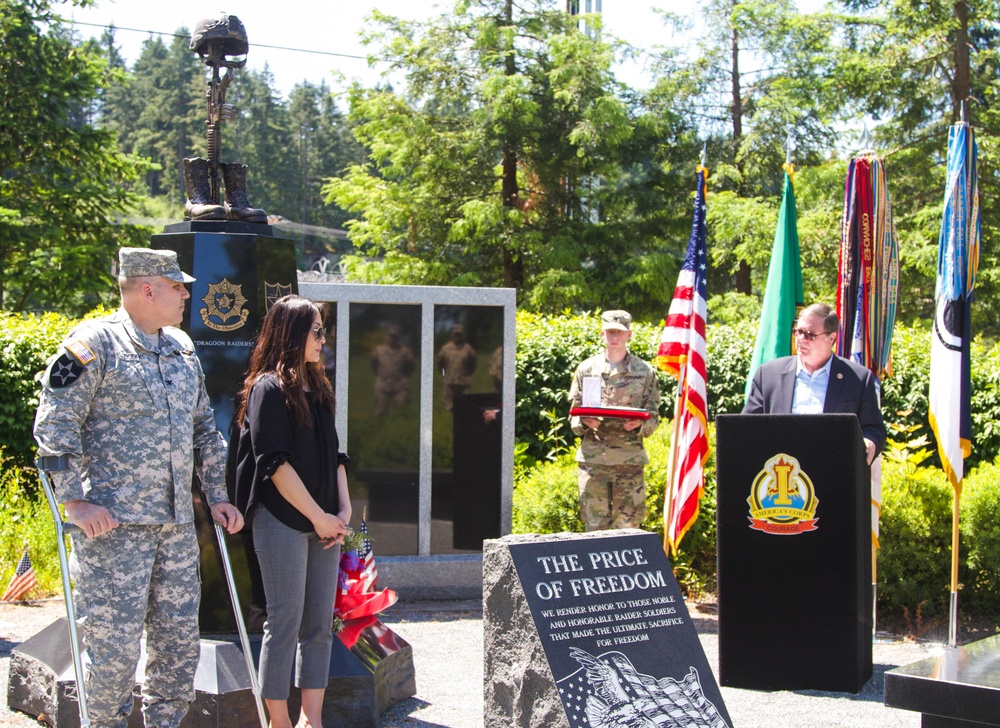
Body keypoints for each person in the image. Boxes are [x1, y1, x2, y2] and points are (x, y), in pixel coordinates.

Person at [33, 247, 244, 728]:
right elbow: (54, 429)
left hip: (174, 527)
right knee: (112, 653)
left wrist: (218, 494)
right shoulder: (94, 346)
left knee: (177, 646)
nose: (186, 294)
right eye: (177, 286)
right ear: (148, 289)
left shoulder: (181, 348)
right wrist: (73, 503)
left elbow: (203, 431)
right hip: (114, 531)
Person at [228, 295, 352, 728]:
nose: (323, 339)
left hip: (325, 523)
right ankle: (279, 722)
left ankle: (311, 720)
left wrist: (342, 506)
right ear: (293, 333)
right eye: (317, 330)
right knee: (283, 624)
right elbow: (274, 464)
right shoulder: (267, 389)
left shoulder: (318, 387)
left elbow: (335, 453)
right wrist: (319, 516)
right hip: (282, 520)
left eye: (322, 330)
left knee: (319, 626)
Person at [743, 302, 886, 463]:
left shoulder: (858, 379)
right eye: (799, 332)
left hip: (833, 471)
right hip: (781, 474)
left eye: (810, 334)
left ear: (830, 338)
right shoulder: (768, 375)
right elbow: (747, 427)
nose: (801, 339)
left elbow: (873, 428)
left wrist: (870, 442)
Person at [568, 310, 661, 531]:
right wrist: (584, 423)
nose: (614, 337)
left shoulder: (645, 372)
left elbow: (654, 416)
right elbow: (573, 416)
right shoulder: (586, 369)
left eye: (619, 332)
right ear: (602, 334)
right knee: (594, 528)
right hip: (594, 461)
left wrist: (640, 425)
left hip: (628, 462)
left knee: (628, 529)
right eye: (610, 332)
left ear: (629, 334)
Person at [371, 325, 416, 416]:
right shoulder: (378, 350)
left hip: (400, 384)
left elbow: (411, 366)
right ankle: (379, 428)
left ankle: (400, 428)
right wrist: (379, 374)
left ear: (398, 337)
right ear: (386, 336)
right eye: (390, 335)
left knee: (403, 411)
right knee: (380, 411)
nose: (392, 338)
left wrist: (405, 375)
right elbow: (373, 364)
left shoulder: (405, 351)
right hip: (383, 383)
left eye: (395, 336)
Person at [436, 323, 477, 411]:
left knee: (466, 408)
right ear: (452, 335)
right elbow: (440, 364)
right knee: (450, 409)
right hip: (450, 382)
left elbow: (473, 364)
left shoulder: (468, 349)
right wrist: (444, 374)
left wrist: (468, 373)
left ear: (463, 335)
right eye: (456, 334)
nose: (457, 336)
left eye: (459, 334)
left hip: (464, 383)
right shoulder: (445, 349)